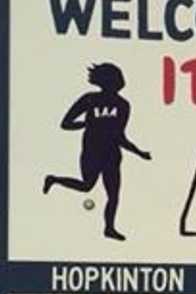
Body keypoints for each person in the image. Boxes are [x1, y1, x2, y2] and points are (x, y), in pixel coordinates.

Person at [43, 63, 151, 241]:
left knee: (113, 194)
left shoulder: (123, 104)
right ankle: (54, 179)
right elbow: (66, 123)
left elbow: (119, 136)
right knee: (87, 186)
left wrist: (139, 152)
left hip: (112, 154)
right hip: (92, 151)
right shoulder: (89, 99)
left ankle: (109, 228)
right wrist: (88, 124)